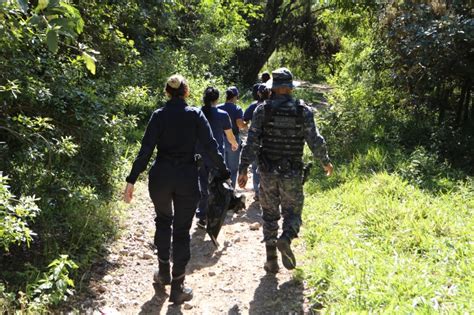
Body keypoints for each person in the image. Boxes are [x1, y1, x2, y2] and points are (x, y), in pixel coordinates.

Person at [123, 75, 229, 304]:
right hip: (186, 178)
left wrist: (131, 180)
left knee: (163, 221)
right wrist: (224, 170)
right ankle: (178, 286)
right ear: (186, 92)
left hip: (160, 176)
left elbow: (146, 150)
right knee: (181, 231)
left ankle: (163, 274)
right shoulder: (195, 114)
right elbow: (211, 146)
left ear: (166, 93)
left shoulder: (158, 116)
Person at [238, 67, 334, 273]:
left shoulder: (262, 110)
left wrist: (243, 168)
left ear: (274, 87)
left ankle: (271, 260)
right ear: (290, 88)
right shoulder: (303, 111)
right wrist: (325, 162)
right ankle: (286, 238)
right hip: (291, 172)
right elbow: (314, 140)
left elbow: (252, 142)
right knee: (293, 212)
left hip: (267, 171)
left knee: (269, 215)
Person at [196, 87, 238, 228]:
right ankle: (213, 216)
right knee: (216, 186)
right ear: (217, 99)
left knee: (202, 185)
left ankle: (202, 215)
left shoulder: (197, 112)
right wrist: (234, 144)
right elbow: (229, 135)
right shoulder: (222, 114)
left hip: (199, 155)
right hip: (216, 156)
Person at [243, 84, 270, 201]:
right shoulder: (272, 107)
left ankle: (258, 193)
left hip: (255, 142)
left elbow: (245, 119)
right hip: (269, 143)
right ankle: (267, 193)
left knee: (255, 169)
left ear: (258, 93)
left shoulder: (253, 106)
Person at [218, 86, 246, 188]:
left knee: (221, 168)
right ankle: (231, 191)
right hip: (233, 140)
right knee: (233, 170)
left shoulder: (218, 107)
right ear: (235, 97)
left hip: (220, 140)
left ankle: (220, 192)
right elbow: (240, 125)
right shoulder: (237, 109)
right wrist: (246, 124)